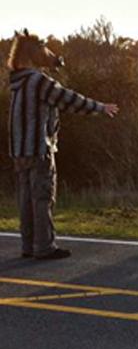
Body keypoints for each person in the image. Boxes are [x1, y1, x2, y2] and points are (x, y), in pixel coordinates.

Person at [7, 29, 119, 260]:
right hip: (39, 149)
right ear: (34, 52)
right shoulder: (38, 81)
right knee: (42, 197)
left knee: (26, 199)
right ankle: (44, 246)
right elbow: (68, 99)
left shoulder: (17, 83)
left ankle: (28, 245)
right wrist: (99, 107)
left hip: (19, 150)